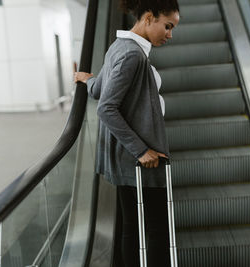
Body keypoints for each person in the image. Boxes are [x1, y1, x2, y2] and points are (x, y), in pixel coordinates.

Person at [74, 0, 180, 266]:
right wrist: (142, 151)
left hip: (127, 159)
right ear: (148, 18)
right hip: (141, 158)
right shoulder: (132, 54)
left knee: (133, 227)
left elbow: (102, 92)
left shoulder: (120, 47)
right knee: (155, 230)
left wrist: (88, 80)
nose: (170, 35)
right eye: (167, 26)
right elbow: (107, 108)